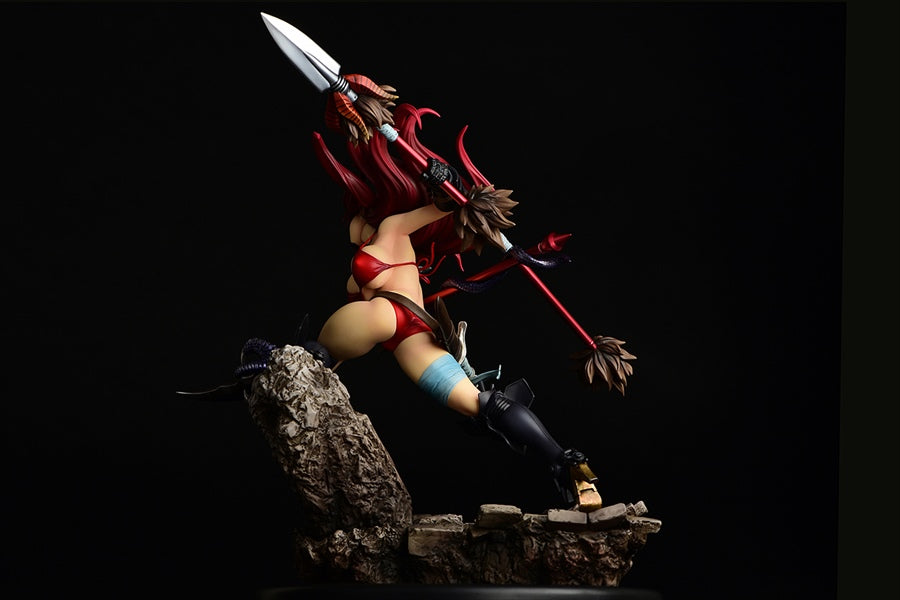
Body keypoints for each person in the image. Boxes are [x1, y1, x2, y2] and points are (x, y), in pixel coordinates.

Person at [290, 74, 605, 512]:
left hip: (391, 319)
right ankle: (566, 465)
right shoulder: (375, 241)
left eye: (358, 206)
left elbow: (444, 205)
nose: (354, 217)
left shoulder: (391, 228)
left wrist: (444, 180)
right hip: (410, 337)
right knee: (478, 403)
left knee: (318, 357)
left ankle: (566, 464)